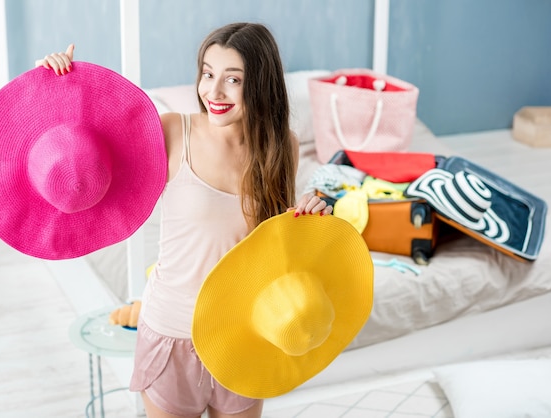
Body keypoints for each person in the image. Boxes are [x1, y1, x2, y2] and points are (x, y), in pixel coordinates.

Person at [36, 22, 332, 418]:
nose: (214, 92)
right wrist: (60, 87)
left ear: (261, 85)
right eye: (208, 74)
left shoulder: (283, 147)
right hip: (173, 335)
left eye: (233, 79)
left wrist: (306, 218)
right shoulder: (173, 130)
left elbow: (273, 246)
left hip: (243, 335)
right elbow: (90, 154)